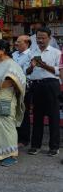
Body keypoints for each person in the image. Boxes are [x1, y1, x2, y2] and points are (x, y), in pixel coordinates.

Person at [27, 27, 61, 157]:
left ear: (49, 38)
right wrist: (32, 66)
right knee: (37, 117)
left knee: (53, 117)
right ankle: (36, 145)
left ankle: (54, 147)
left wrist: (44, 65)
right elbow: (27, 72)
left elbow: (58, 71)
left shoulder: (56, 53)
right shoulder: (32, 52)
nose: (40, 40)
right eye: (38, 38)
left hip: (51, 85)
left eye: (43, 38)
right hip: (36, 86)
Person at [12, 35, 32, 147]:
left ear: (26, 43)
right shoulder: (14, 54)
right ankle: (15, 136)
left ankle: (24, 139)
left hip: (24, 87)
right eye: (16, 42)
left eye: (19, 42)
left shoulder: (30, 54)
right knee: (14, 112)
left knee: (23, 112)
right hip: (12, 87)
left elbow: (25, 71)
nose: (16, 44)